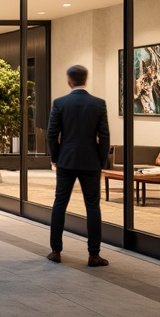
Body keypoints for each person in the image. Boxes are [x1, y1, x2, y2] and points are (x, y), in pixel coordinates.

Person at [46, 64, 110, 266]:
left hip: (66, 160)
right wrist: (100, 161)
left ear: (69, 80)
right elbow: (104, 136)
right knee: (92, 206)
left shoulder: (60, 103)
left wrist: (55, 157)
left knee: (60, 204)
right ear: (85, 79)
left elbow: (51, 134)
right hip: (90, 161)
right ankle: (94, 254)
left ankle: (56, 251)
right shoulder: (98, 104)